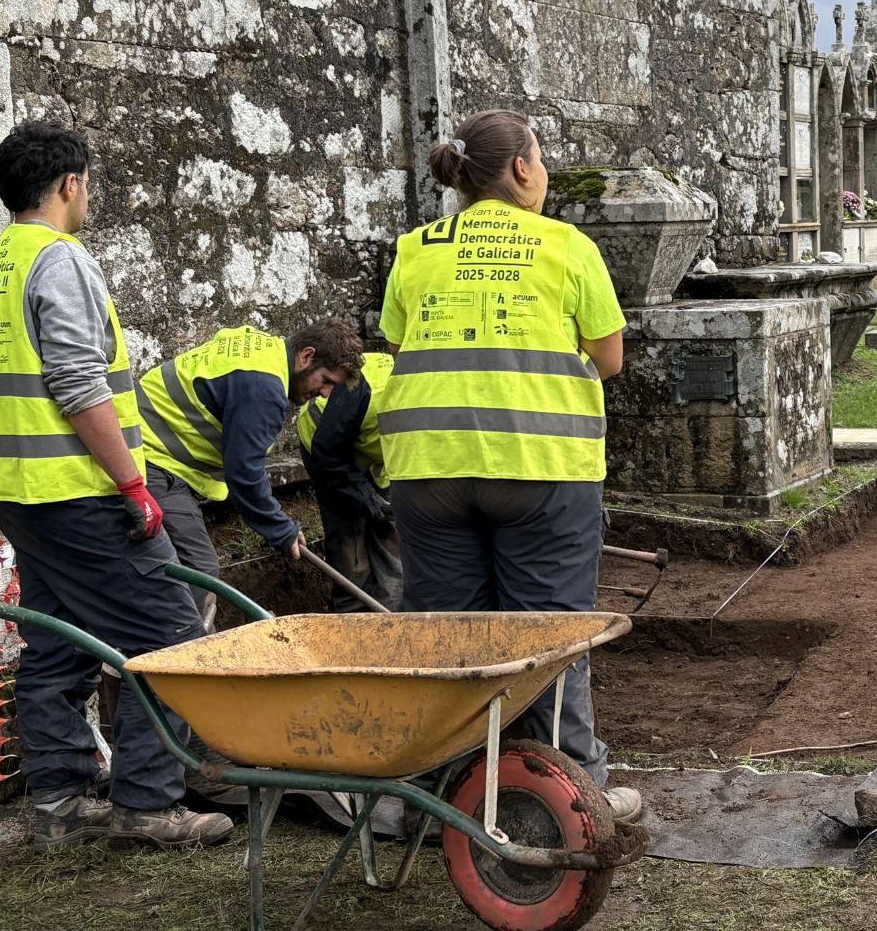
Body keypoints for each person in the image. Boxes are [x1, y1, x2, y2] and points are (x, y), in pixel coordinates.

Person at [0, 121, 233, 850]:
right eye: (89, 184)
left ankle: (58, 803)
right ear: (70, 184)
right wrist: (134, 484)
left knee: (59, 642)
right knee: (170, 637)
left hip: (12, 487)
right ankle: (147, 805)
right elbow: (78, 384)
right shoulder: (60, 260)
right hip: (72, 486)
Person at [377, 109, 643, 821]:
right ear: (523, 168)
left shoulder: (415, 247)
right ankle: (572, 799)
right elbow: (609, 358)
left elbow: (403, 351)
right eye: (542, 157)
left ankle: (439, 798)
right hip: (539, 462)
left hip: (427, 467)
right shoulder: (565, 246)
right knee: (551, 640)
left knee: (448, 639)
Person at [136, 321, 362, 625]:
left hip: (147, 447)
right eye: (325, 381)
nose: (324, 394)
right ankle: (180, 657)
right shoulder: (264, 388)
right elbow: (244, 472)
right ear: (306, 356)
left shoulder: (262, 350)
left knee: (183, 567)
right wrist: (279, 528)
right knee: (198, 569)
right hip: (148, 458)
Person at [297, 350, 404, 611]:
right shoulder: (366, 392)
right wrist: (365, 497)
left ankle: (393, 624)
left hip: (375, 450)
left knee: (394, 545)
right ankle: (349, 623)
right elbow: (329, 457)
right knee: (351, 549)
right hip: (324, 440)